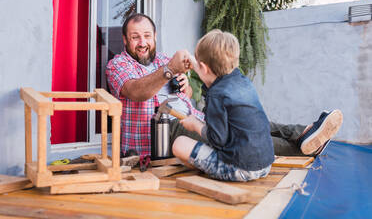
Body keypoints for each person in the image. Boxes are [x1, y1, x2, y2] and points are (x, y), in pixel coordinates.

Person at [106, 13, 343, 158]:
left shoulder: (161, 59)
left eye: (147, 36)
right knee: (236, 137)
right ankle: (300, 148)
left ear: (155, 36)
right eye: (135, 37)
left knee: (241, 120)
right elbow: (136, 92)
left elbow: (186, 94)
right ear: (125, 40)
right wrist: (169, 71)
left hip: (191, 118)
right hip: (160, 138)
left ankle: (304, 132)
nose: (142, 43)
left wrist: (183, 84)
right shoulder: (117, 65)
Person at [172, 29, 274, 181]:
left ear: (204, 68)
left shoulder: (216, 95)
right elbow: (211, 79)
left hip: (240, 168)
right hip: (265, 164)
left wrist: (195, 125)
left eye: (198, 66)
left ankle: (213, 170)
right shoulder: (242, 80)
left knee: (179, 144)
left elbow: (217, 139)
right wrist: (196, 64)